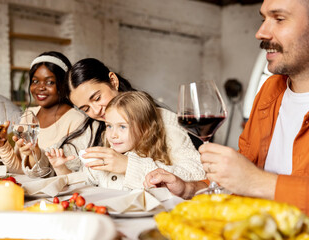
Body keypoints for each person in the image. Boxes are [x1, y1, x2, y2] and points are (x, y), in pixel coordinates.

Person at [144, 0, 309, 214]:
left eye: (279, 19)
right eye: (263, 19)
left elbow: (249, 179)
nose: (260, 32)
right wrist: (190, 188)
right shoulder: (270, 89)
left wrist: (255, 181)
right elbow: (239, 176)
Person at [46, 58, 205, 186]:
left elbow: (197, 173)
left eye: (97, 98)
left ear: (113, 81)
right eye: (86, 108)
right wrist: (56, 165)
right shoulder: (99, 126)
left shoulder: (162, 119)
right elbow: (81, 174)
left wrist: (128, 165)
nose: (95, 111)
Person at [0, 51, 86, 176]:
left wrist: (37, 154)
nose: (40, 87)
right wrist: (2, 144)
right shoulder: (29, 114)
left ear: (64, 84)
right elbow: (21, 170)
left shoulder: (76, 120)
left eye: (50, 82)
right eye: (35, 81)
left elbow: (72, 174)